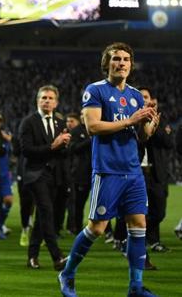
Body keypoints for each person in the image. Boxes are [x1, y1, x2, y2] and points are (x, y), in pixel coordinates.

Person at [59, 42, 159, 297]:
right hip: (108, 171)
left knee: (138, 225)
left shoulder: (136, 95)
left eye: (126, 59)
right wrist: (131, 120)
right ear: (107, 64)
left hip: (133, 171)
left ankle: (135, 287)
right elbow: (92, 127)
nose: (121, 63)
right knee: (97, 228)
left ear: (131, 65)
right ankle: (67, 273)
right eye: (116, 59)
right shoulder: (95, 91)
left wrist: (149, 126)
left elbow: (141, 134)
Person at [19, 84, 70, 271]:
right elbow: (26, 151)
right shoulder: (28, 122)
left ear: (56, 103)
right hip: (35, 175)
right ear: (37, 101)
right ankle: (57, 256)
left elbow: (64, 153)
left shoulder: (60, 123)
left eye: (50, 98)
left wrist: (65, 145)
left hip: (54, 176)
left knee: (43, 217)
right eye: (43, 98)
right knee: (47, 212)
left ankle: (32, 256)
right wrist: (53, 146)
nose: (46, 101)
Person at [137, 88, 174, 253]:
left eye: (145, 97)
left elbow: (168, 143)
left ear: (151, 100)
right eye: (140, 97)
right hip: (136, 172)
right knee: (137, 211)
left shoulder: (160, 118)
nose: (143, 99)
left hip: (156, 172)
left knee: (158, 212)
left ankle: (145, 237)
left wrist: (154, 125)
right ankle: (151, 242)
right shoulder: (129, 118)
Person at [66, 113, 92, 235]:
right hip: (81, 173)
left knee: (102, 202)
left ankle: (107, 231)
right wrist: (89, 140)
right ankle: (76, 227)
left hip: (98, 171)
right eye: (81, 114)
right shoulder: (77, 131)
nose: (83, 116)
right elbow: (72, 148)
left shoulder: (97, 127)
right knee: (79, 203)